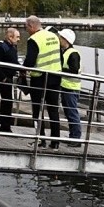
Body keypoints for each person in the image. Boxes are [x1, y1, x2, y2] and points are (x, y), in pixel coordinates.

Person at [23, 16, 61, 149]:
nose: (26, 30)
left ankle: (40, 139)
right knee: (53, 110)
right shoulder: (53, 36)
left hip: (39, 78)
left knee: (37, 110)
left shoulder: (34, 39)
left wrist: (23, 69)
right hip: (56, 76)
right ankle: (55, 142)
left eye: (26, 27)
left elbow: (30, 61)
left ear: (31, 26)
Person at [0, 27, 21, 133]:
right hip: (3, 79)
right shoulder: (0, 47)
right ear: (10, 37)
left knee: (8, 101)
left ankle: (5, 125)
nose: (18, 39)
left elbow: (13, 62)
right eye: (17, 37)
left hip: (9, 77)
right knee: (7, 100)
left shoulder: (12, 47)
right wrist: (3, 78)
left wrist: (22, 69)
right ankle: (4, 126)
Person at [58, 28, 82, 145]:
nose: (59, 40)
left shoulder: (73, 53)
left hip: (71, 87)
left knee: (72, 113)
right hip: (66, 86)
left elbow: (74, 70)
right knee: (69, 113)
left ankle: (76, 138)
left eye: (61, 38)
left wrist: (60, 70)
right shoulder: (66, 52)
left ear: (66, 40)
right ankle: (73, 136)